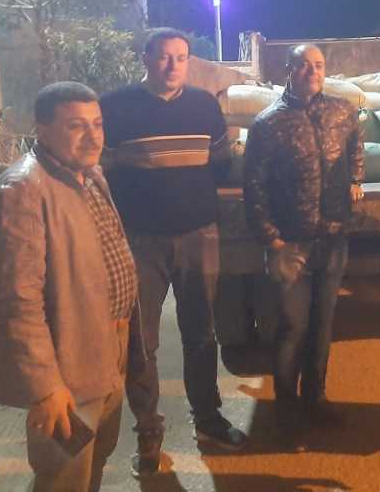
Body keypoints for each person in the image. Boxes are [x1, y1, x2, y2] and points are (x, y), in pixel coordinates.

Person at [100, 28, 245, 477]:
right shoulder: (116, 107)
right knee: (141, 342)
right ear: (146, 58)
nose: (173, 65)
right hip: (140, 242)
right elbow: (101, 172)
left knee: (201, 332)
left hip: (199, 236)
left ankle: (208, 417)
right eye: (164, 57)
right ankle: (148, 431)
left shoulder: (204, 106)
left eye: (181, 58)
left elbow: (221, 163)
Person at [0, 82, 138, 492]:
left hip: (110, 346)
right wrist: (46, 387)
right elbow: (17, 301)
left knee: (96, 457)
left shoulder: (90, 175)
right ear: (43, 130)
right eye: (75, 126)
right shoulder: (22, 192)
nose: (92, 136)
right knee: (65, 475)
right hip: (69, 365)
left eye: (97, 124)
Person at [242, 43, 364, 446]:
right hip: (290, 243)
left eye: (319, 65)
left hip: (332, 238)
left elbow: (357, 145)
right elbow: (254, 187)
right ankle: (286, 411)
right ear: (289, 71)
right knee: (293, 327)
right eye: (305, 66)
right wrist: (272, 239)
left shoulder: (342, 112)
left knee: (323, 324)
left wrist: (356, 180)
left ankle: (316, 399)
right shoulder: (267, 124)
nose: (313, 71)